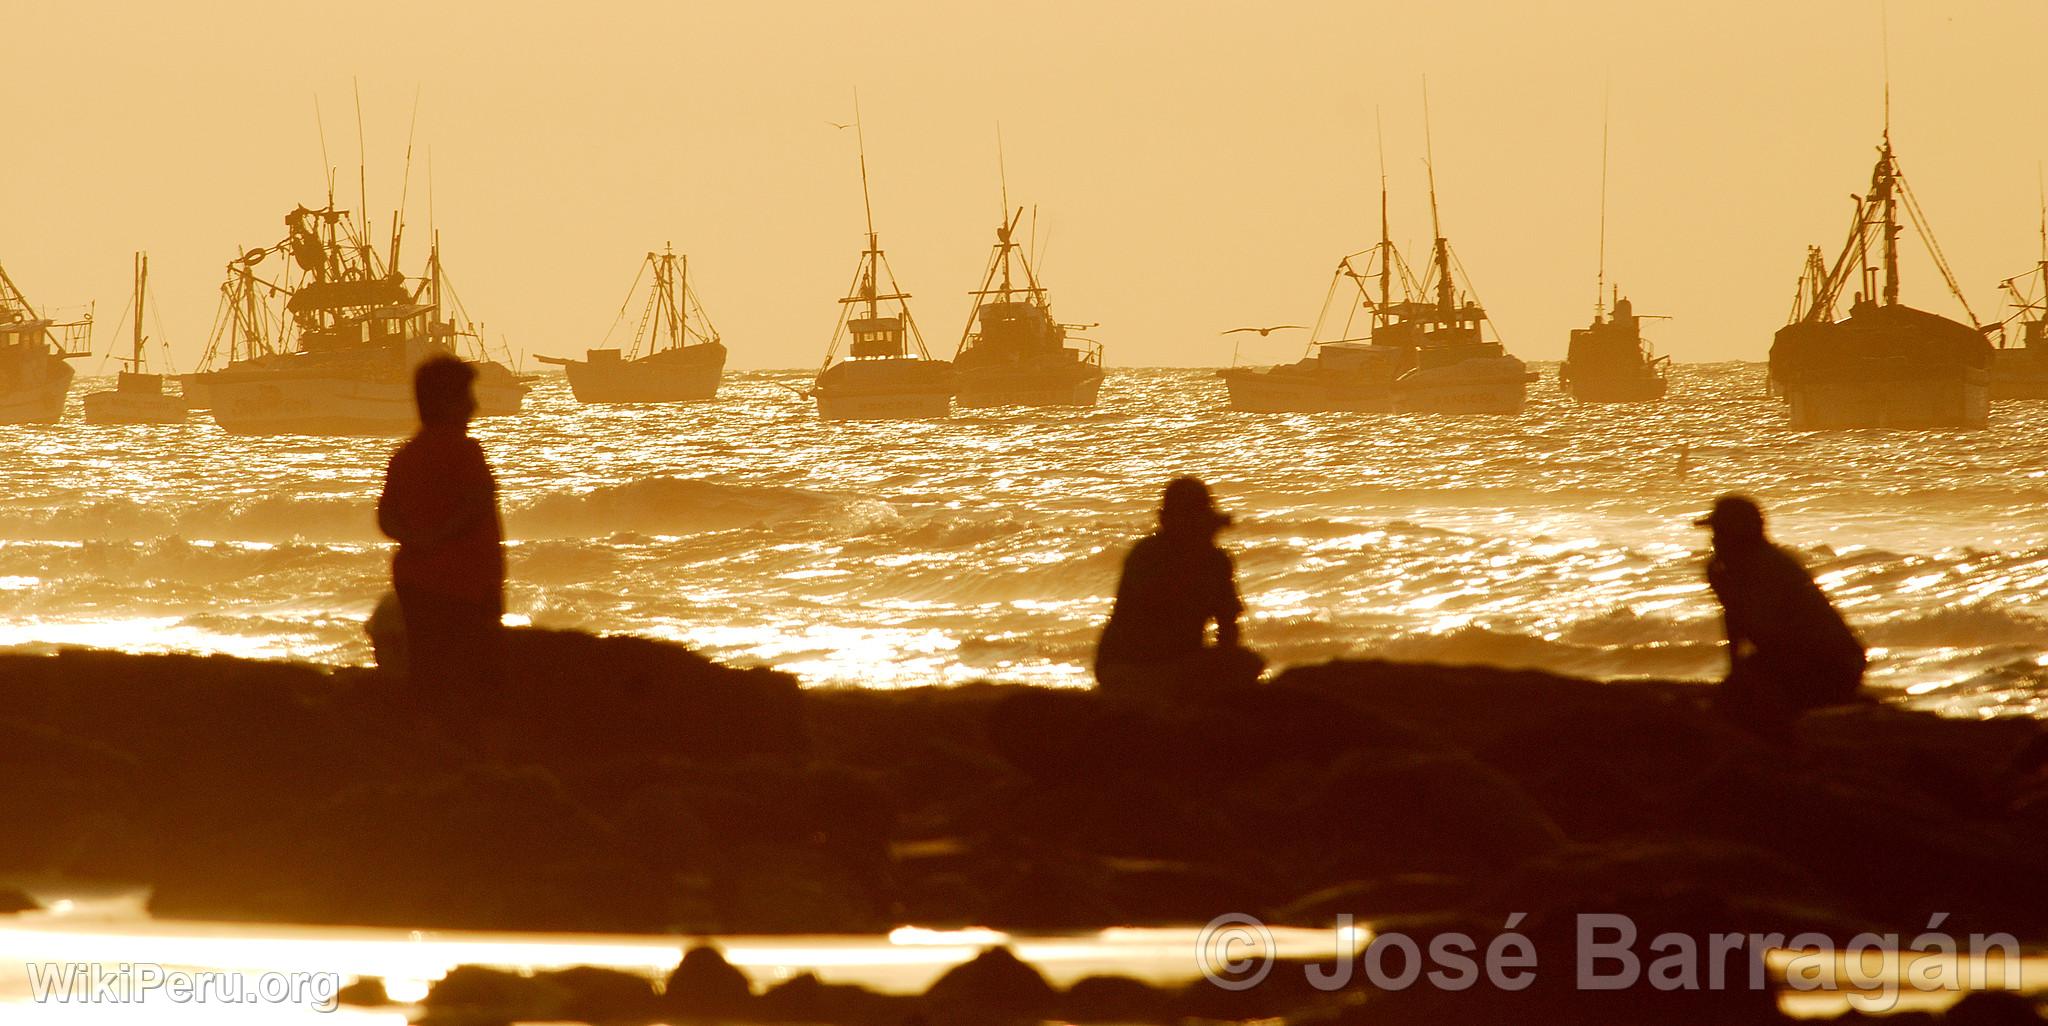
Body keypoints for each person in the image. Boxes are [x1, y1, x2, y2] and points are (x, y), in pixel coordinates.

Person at [377, 356, 506, 737]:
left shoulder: (404, 458)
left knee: (427, 674)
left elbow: (387, 518)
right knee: (475, 681)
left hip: (416, 585)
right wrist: (441, 536)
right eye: (466, 396)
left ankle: (429, 742)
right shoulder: (466, 452)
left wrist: (417, 538)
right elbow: (476, 505)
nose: (474, 405)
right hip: (465, 586)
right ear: (448, 403)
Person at [1695, 494, 1865, 726]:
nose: (1715, 540)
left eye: (1721, 532)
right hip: (1797, 659)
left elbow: (1772, 632)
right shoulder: (1726, 570)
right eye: (1715, 533)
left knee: (1750, 698)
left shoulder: (1771, 568)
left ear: (1740, 536)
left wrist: (1748, 676)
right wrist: (1736, 672)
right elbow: (1735, 621)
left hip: (1833, 664)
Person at [1094, 477, 1263, 694]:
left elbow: (1228, 627)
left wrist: (1224, 659)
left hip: (1180, 661)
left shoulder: (1216, 561)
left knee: (1246, 662)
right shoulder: (1146, 556)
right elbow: (1149, 621)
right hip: (1129, 665)